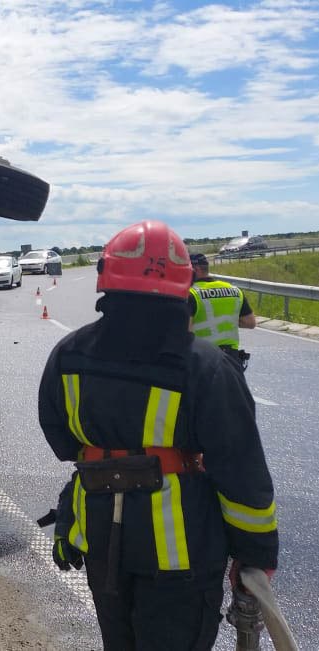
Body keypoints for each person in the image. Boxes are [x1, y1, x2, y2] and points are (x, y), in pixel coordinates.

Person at [38, 221, 278, 650]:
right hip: (180, 556)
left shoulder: (68, 355)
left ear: (106, 278)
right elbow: (240, 471)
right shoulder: (206, 368)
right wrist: (256, 554)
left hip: (101, 542)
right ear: (183, 286)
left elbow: (60, 437)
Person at [188, 252, 255, 370]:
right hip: (231, 359)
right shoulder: (234, 290)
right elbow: (250, 323)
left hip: (203, 358)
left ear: (195, 269)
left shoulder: (191, 294)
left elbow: (185, 332)